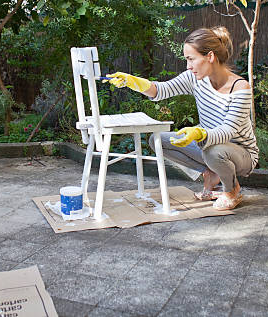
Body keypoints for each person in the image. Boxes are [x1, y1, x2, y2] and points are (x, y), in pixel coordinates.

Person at [105, 27, 258, 210]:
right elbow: (161, 90)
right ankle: (210, 171)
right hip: (209, 145)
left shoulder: (240, 88)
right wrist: (132, 82)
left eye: (191, 59)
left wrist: (200, 133)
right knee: (158, 140)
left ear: (209, 56)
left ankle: (232, 190)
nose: (188, 66)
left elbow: (228, 131)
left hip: (241, 154)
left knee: (213, 152)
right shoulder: (195, 79)